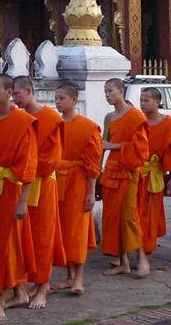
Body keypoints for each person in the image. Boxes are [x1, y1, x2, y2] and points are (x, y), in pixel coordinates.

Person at [0, 74, 37, 322]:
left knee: (6, 245)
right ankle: (19, 292)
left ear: (9, 92)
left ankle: (0, 301)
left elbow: (29, 164)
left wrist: (23, 200)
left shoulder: (24, 121)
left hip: (11, 191)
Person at [11, 76, 65, 307]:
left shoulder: (50, 118)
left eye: (18, 94)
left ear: (30, 91)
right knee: (25, 237)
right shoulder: (17, 118)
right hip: (20, 185)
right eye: (12, 94)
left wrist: (27, 170)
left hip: (42, 184)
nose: (15, 98)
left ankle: (43, 286)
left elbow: (51, 159)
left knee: (42, 236)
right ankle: (30, 282)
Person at [52, 82, 102, 295]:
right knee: (62, 230)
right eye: (56, 98)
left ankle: (79, 277)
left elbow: (93, 164)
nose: (58, 102)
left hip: (78, 184)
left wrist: (91, 192)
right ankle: (69, 275)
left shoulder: (88, 126)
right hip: (57, 183)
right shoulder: (55, 124)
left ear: (74, 100)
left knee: (77, 231)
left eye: (62, 98)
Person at [99, 79, 150, 277]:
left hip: (129, 171)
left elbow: (142, 148)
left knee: (129, 216)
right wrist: (98, 171)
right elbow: (103, 144)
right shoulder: (109, 117)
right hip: (112, 170)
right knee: (112, 217)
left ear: (121, 91)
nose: (107, 95)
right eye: (105, 92)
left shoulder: (135, 116)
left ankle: (142, 257)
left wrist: (115, 146)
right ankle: (123, 262)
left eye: (110, 91)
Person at [138, 87, 171, 259]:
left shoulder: (169, 123)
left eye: (146, 100)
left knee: (151, 212)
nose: (143, 104)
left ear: (157, 102)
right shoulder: (138, 122)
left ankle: (146, 250)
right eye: (141, 100)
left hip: (154, 174)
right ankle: (137, 248)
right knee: (136, 212)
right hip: (138, 173)